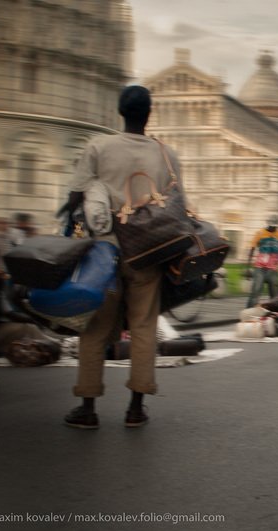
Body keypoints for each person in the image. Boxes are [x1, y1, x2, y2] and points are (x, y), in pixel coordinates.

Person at [61, 85, 184, 429]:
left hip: (105, 253)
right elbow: (179, 204)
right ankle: (135, 408)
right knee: (144, 327)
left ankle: (87, 408)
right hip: (148, 252)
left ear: (120, 111)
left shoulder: (98, 146)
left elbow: (75, 196)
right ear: (149, 114)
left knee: (95, 327)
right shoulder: (167, 154)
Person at [245, 215, 278, 309]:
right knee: (255, 292)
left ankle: (275, 313)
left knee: (275, 295)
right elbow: (252, 249)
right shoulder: (260, 233)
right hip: (260, 268)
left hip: (273, 269)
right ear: (268, 224)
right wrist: (248, 267)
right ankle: (249, 312)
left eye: (275, 227)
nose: (274, 229)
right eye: (272, 227)